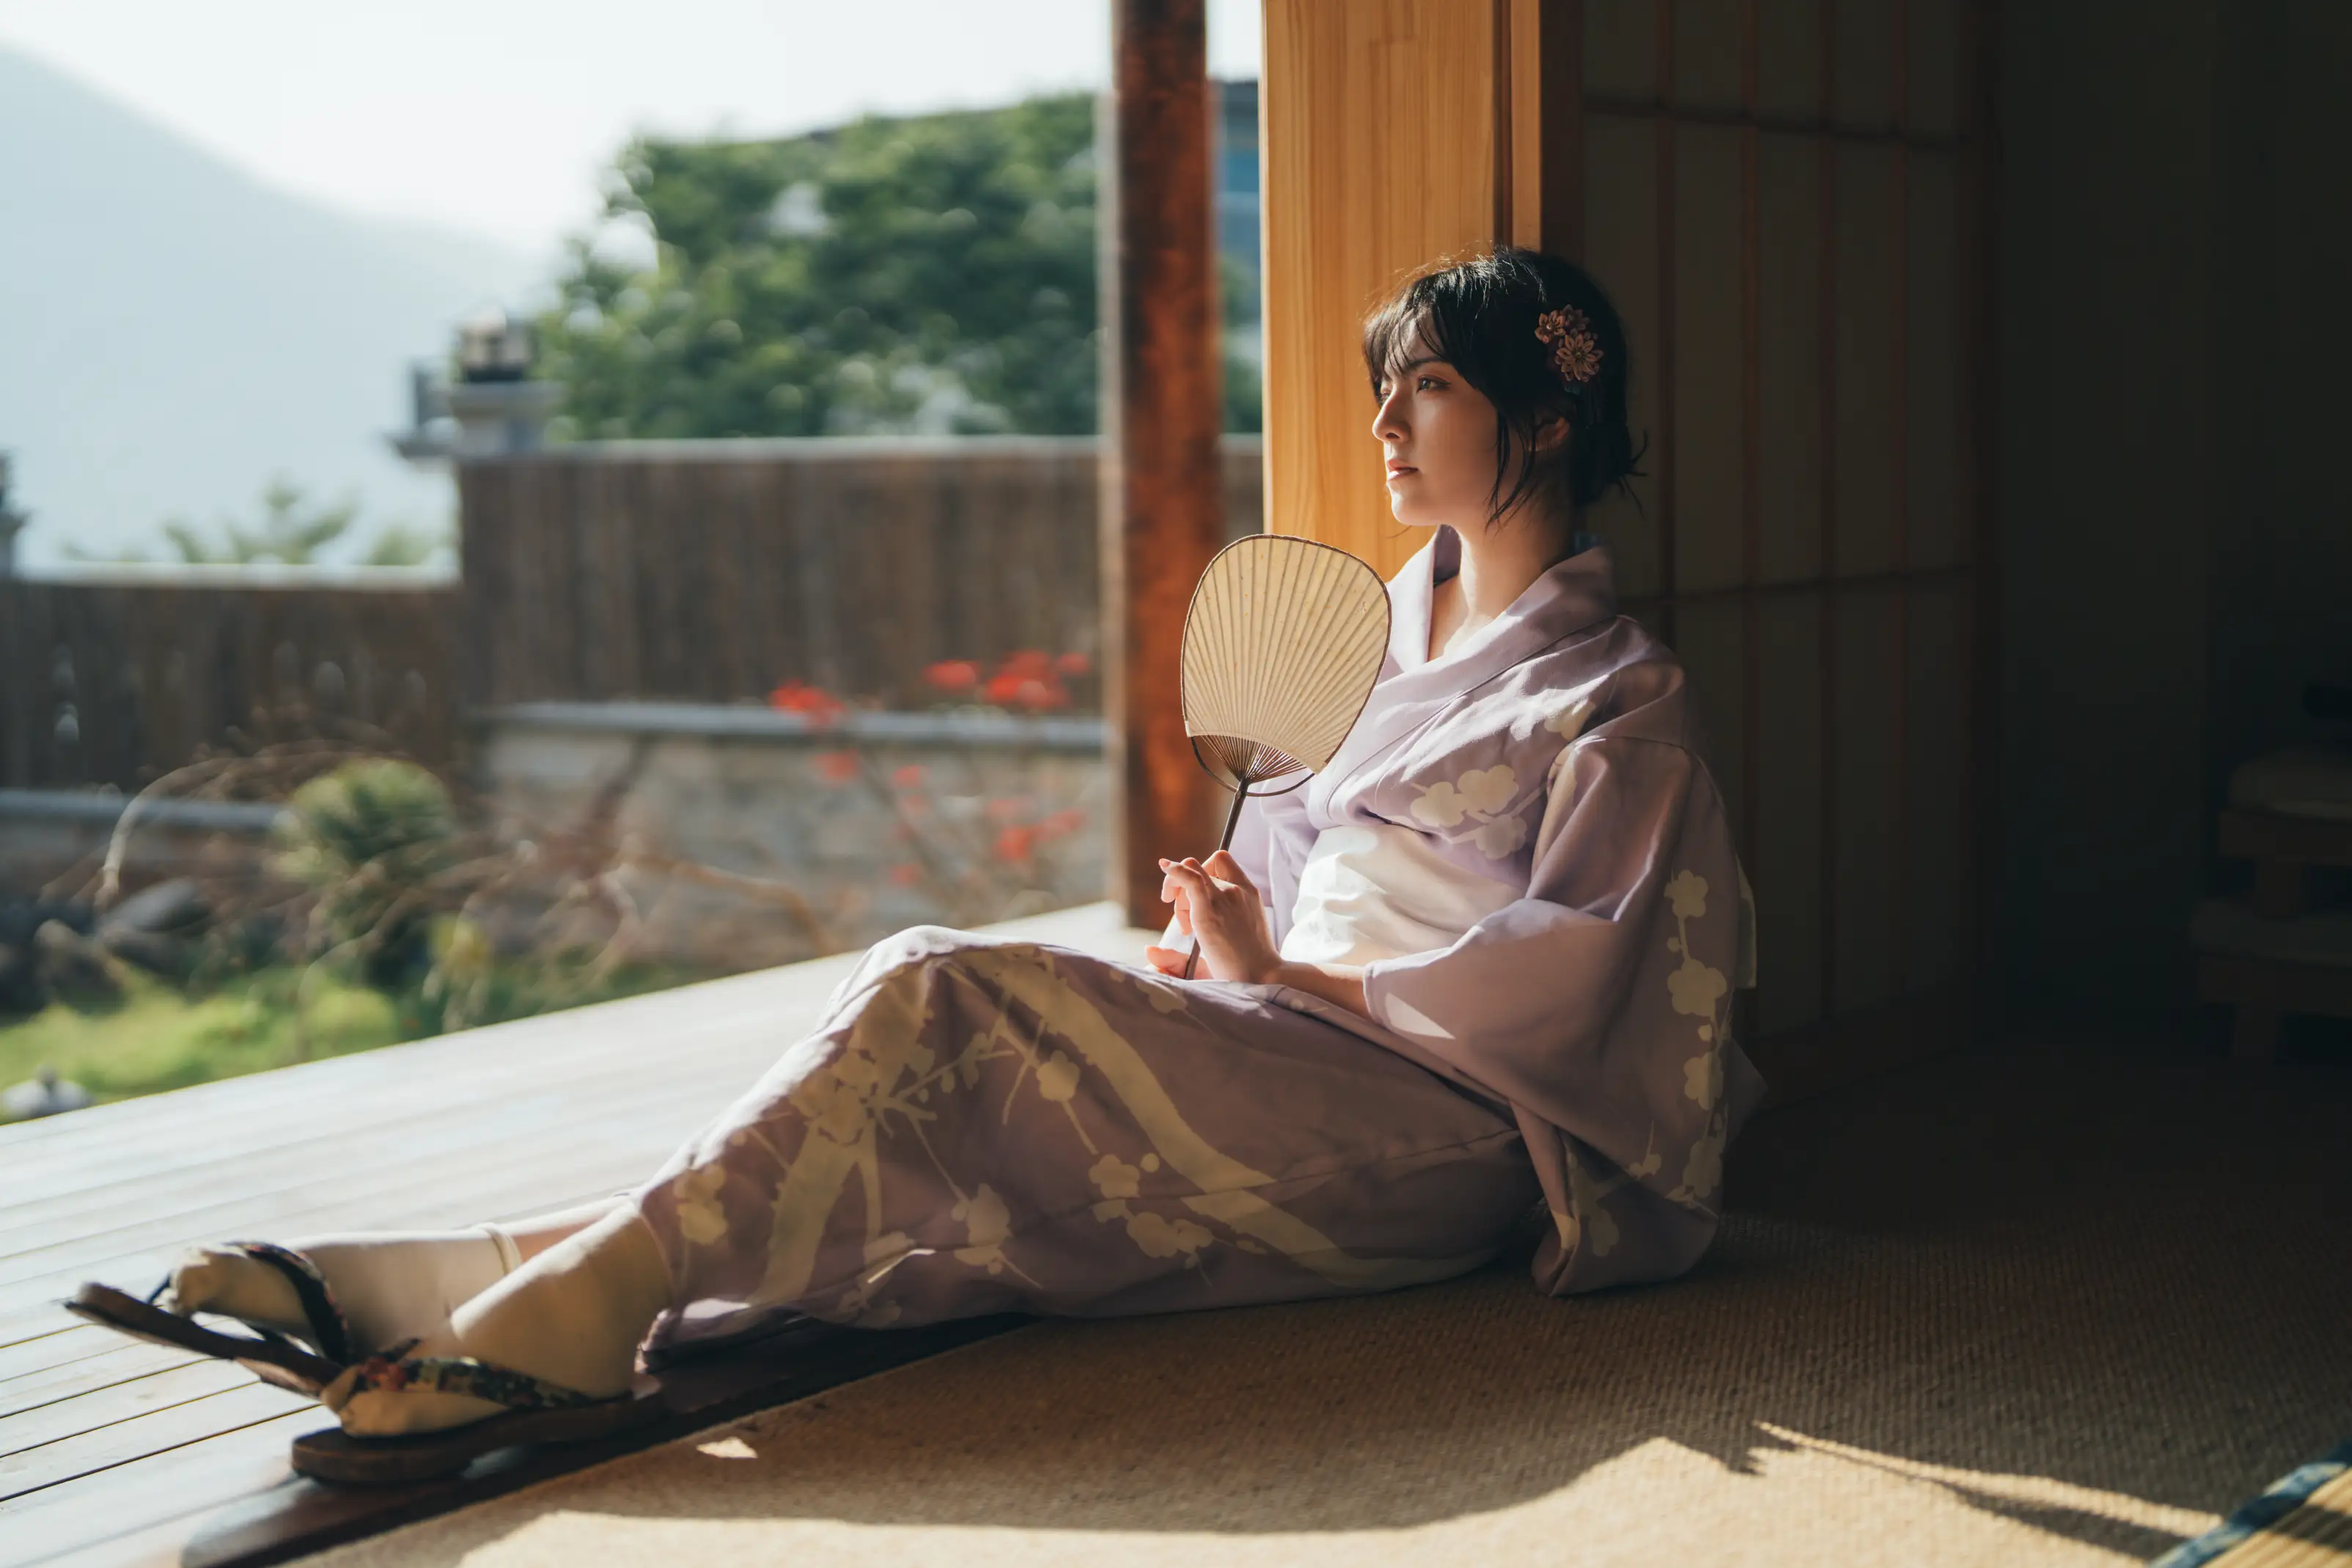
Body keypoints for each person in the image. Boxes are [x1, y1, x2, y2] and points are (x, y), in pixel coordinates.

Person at [83, 247, 1762, 1453]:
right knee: (936, 1101)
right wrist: (1230, 938)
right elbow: (1303, 849)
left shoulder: (1622, 702)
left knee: (940, 996)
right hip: (1298, 1037)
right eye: (1383, 384)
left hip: (1442, 1120)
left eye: (1435, 385)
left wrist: (1298, 976)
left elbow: (1591, 1000)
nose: (1389, 417)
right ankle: (493, 1278)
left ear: (1542, 416)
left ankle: (535, 1303)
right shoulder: (1381, 640)